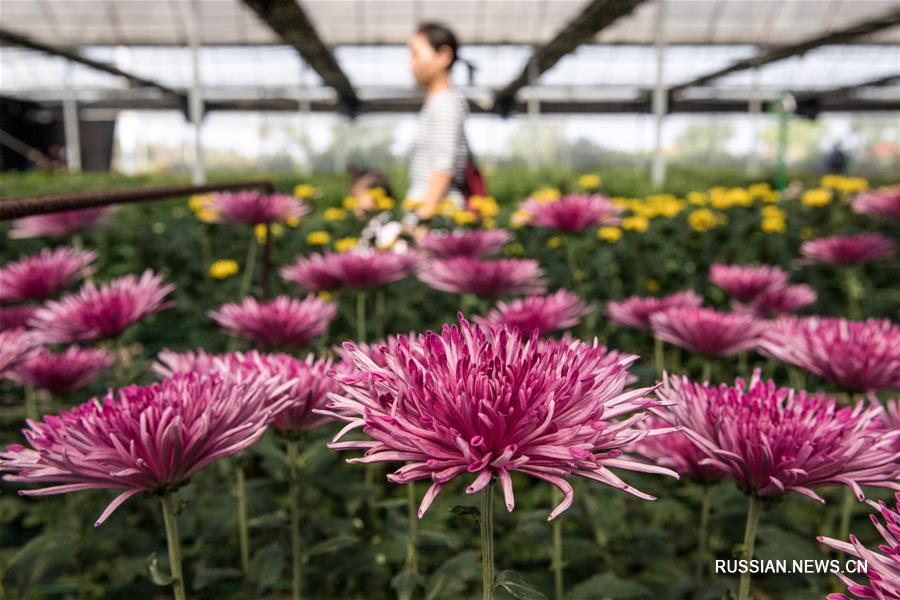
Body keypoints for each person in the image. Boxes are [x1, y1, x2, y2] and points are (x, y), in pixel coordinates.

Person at [407, 22, 472, 222]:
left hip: (437, 216)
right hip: (434, 211)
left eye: (416, 54)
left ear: (443, 56)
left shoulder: (445, 103)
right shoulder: (440, 102)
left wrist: (423, 219)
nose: (411, 63)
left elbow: (444, 165)